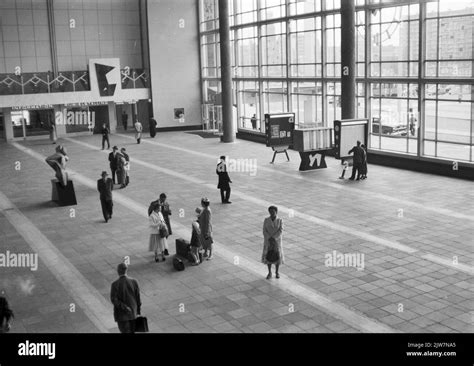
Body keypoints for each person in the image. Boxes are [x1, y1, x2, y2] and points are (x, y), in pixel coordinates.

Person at [110, 262, 141, 334]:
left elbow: (114, 300)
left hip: (122, 316)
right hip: (133, 314)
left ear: (118, 271)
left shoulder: (115, 284)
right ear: (126, 270)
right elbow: (138, 298)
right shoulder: (134, 282)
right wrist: (138, 312)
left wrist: (125, 307)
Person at [262, 206, 284, 279]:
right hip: (268, 241)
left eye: (273, 211)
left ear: (276, 212)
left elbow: (280, 230)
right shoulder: (266, 220)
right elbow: (264, 230)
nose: (272, 213)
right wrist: (269, 238)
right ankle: (269, 272)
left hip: (277, 242)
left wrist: (274, 238)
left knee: (277, 256)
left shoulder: (280, 220)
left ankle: (277, 272)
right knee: (269, 256)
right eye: (270, 211)